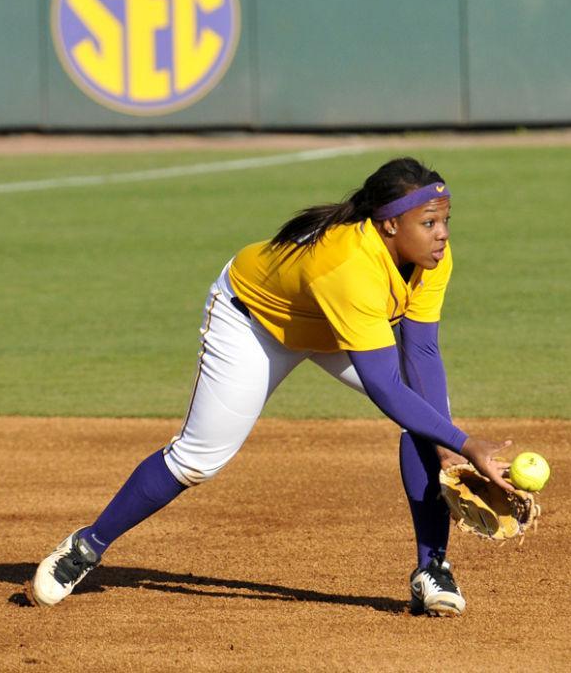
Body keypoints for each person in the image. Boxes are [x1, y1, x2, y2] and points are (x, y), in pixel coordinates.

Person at [30, 156, 513, 617]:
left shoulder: (430, 259)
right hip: (256, 322)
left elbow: (422, 352)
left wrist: (446, 440)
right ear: (390, 224)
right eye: (429, 223)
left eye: (445, 220)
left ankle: (433, 568)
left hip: (335, 327)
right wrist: (465, 444)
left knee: (430, 418)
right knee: (198, 459)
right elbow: (386, 387)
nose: (443, 234)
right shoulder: (347, 264)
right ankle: (86, 545)